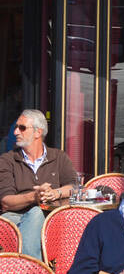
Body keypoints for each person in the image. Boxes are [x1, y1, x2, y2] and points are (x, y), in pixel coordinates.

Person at [0, 109, 78, 258]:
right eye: (16, 127)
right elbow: (6, 202)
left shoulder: (59, 157)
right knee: (36, 212)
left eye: (22, 128)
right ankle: (33, 272)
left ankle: (28, 269)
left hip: (52, 216)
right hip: (16, 216)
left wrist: (55, 193)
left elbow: (74, 186)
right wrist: (34, 197)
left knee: (39, 213)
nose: (16, 131)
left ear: (38, 132)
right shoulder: (7, 160)